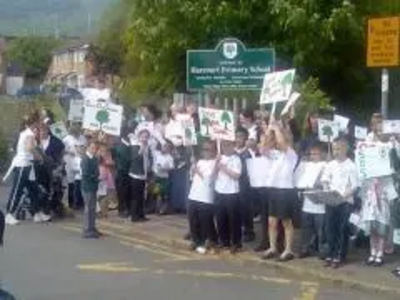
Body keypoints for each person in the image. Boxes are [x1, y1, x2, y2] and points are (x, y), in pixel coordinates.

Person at [261, 121, 298, 261]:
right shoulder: (275, 153)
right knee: (272, 221)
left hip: (285, 191)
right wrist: (268, 131)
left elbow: (282, 143)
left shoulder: (291, 153)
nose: (278, 140)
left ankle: (288, 249)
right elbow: (263, 149)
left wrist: (276, 128)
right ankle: (272, 247)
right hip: (273, 189)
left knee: (286, 222)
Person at [321, 137, 359, 268]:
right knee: (330, 228)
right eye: (334, 148)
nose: (335, 151)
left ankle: (339, 255)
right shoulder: (330, 164)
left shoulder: (351, 165)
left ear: (345, 149)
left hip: (344, 201)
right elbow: (325, 180)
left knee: (341, 229)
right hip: (331, 201)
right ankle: (330, 253)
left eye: (338, 148)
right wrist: (327, 191)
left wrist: (343, 196)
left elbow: (354, 185)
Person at [4, 113, 40, 225]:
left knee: (33, 189)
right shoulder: (29, 134)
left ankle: (35, 213)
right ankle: (9, 214)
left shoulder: (26, 132)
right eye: (38, 121)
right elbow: (29, 147)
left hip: (28, 166)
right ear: (34, 122)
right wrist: (37, 155)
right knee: (17, 190)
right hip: (22, 165)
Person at [187, 140, 218, 254]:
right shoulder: (200, 162)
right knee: (193, 219)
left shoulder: (215, 163)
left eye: (208, 149)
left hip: (206, 196)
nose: (205, 152)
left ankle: (206, 241)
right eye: (204, 149)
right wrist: (193, 166)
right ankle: (195, 240)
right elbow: (192, 176)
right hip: (194, 194)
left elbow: (209, 179)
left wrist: (196, 169)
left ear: (214, 151)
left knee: (205, 221)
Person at [298, 142, 327, 259]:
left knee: (321, 230)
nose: (313, 156)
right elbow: (300, 179)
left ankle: (323, 250)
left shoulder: (326, 165)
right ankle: (305, 248)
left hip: (321, 204)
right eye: (311, 154)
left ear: (323, 154)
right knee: (306, 228)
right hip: (307, 202)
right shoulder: (306, 165)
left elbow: (326, 183)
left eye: (316, 154)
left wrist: (318, 182)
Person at [214, 140, 243, 254]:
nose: (226, 148)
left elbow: (236, 175)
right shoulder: (219, 158)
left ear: (233, 146)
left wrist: (224, 168)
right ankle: (224, 241)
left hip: (232, 192)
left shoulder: (236, 159)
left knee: (233, 220)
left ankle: (236, 243)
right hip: (219, 191)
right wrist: (216, 164)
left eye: (228, 145)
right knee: (220, 218)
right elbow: (213, 175)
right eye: (224, 145)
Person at [235, 127, 255, 242]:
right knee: (236, 208)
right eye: (236, 137)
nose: (238, 140)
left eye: (241, 137)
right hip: (234, 184)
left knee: (246, 208)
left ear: (245, 139)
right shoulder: (232, 151)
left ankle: (249, 231)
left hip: (245, 184)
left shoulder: (248, 152)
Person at [129, 129, 151, 222]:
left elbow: (147, 159)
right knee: (136, 197)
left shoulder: (147, 146)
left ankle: (141, 215)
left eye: (146, 136)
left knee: (141, 196)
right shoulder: (136, 145)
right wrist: (142, 146)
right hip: (136, 175)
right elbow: (136, 157)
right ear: (139, 136)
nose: (145, 138)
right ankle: (134, 216)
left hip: (143, 174)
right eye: (143, 136)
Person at [63, 123, 86, 210]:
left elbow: (85, 148)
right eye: (75, 131)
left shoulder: (82, 138)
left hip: (80, 161)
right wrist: (70, 152)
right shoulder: (66, 139)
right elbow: (63, 151)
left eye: (79, 131)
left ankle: (80, 202)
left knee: (80, 181)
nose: (77, 133)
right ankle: (71, 203)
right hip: (69, 162)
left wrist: (82, 151)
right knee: (71, 182)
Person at [81, 140, 101, 239]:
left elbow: (97, 171)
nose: (94, 150)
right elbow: (85, 174)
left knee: (93, 208)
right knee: (88, 208)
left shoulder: (94, 159)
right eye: (92, 148)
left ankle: (92, 227)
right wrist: (95, 176)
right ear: (87, 148)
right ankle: (87, 229)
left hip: (93, 186)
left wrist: (96, 176)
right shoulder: (85, 159)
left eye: (95, 148)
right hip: (87, 186)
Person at [111, 126, 132, 218]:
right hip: (121, 171)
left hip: (130, 171)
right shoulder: (117, 145)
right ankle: (122, 209)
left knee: (129, 191)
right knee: (121, 191)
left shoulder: (132, 144)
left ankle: (128, 208)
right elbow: (113, 156)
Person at [152, 141, 174, 214]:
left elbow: (172, 167)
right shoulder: (157, 154)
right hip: (156, 177)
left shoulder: (170, 157)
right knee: (157, 193)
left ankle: (163, 210)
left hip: (164, 178)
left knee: (165, 195)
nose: (165, 148)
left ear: (169, 149)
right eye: (164, 146)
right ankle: (157, 209)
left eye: (167, 147)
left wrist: (164, 168)